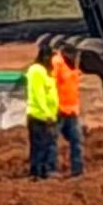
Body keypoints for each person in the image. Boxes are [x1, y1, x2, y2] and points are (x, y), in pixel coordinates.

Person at [49, 37, 87, 178]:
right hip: (58, 109)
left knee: (77, 140)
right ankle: (51, 169)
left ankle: (78, 169)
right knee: (52, 141)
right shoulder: (57, 63)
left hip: (72, 110)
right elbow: (50, 84)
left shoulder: (73, 65)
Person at [21, 42, 60, 179]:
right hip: (40, 116)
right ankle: (41, 171)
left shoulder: (44, 71)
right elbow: (39, 95)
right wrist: (47, 114)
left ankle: (42, 171)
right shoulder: (37, 71)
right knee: (43, 144)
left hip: (46, 115)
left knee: (45, 144)